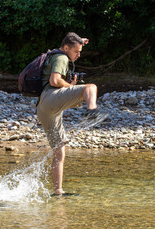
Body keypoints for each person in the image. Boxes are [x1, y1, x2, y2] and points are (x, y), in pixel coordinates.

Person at [37, 32, 104, 195]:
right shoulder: (62, 58)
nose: (78, 55)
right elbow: (54, 81)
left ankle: (58, 191)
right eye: (76, 51)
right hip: (50, 98)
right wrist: (70, 87)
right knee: (91, 87)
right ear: (66, 48)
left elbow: (70, 37)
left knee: (59, 150)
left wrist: (70, 85)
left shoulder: (55, 55)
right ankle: (92, 112)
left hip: (44, 108)